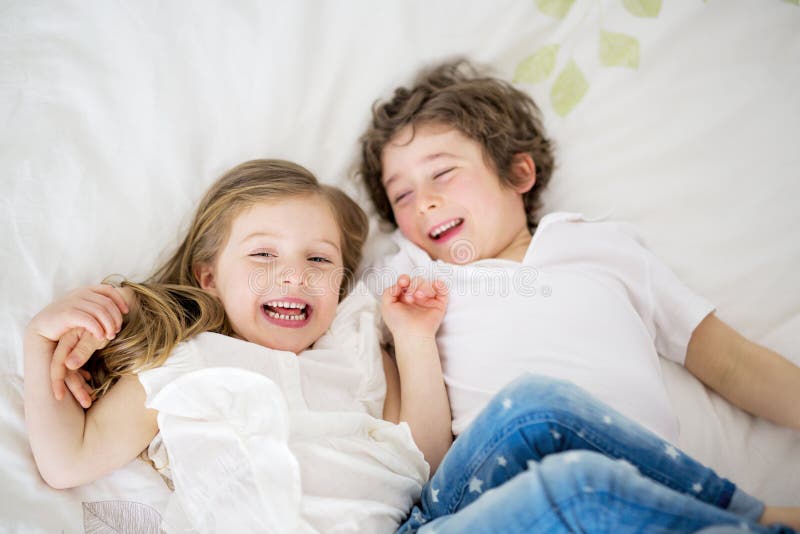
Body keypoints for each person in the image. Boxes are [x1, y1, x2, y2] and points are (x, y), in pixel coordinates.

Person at [27, 161, 795, 532]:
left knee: (534, 404)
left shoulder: (357, 344)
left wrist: (413, 339)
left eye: (319, 261)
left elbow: (422, 461)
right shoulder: (184, 370)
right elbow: (66, 462)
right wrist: (41, 340)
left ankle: (759, 516)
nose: (293, 274)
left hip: (419, 522)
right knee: (577, 492)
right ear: (209, 274)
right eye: (261, 256)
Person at [357, 60, 800, 531]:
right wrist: (412, 338)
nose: (422, 201)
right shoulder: (410, 279)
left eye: (442, 173)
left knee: (587, 482)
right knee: (535, 409)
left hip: (623, 506)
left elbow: (729, 360)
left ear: (518, 172)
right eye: (401, 196)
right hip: (477, 507)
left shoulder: (601, 247)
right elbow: (416, 459)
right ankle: (765, 520)